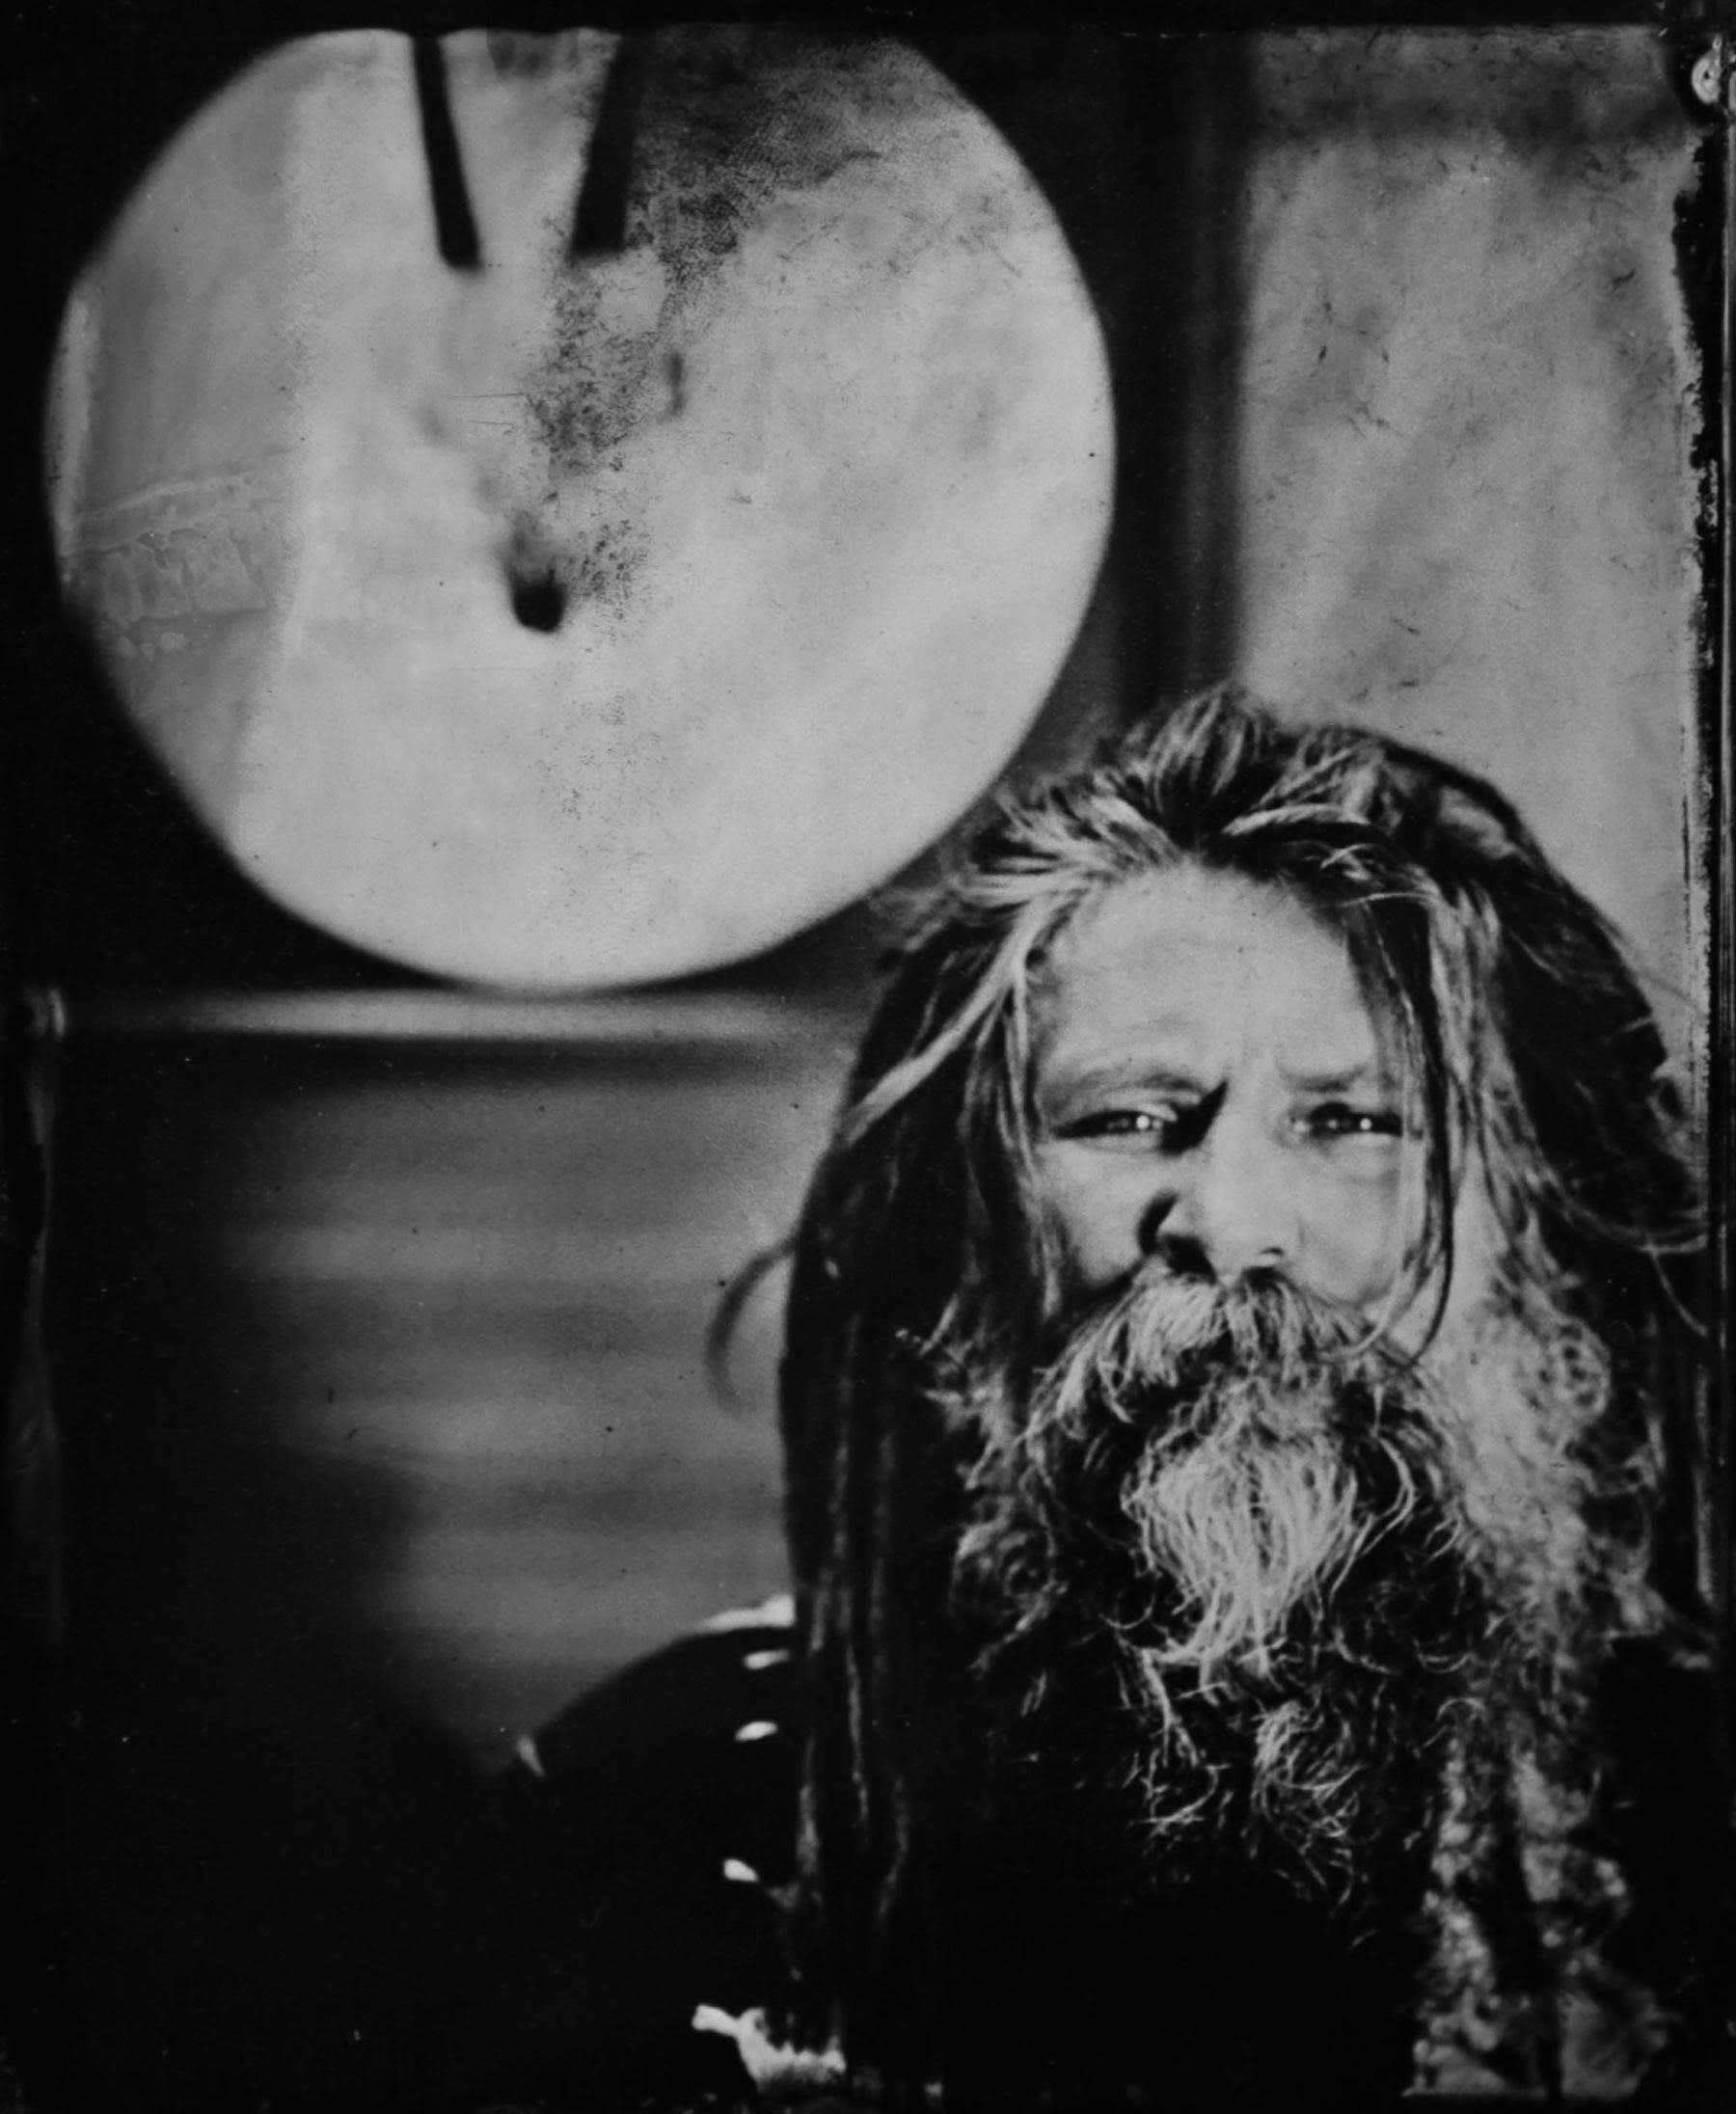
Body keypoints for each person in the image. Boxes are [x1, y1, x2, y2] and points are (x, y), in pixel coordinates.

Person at [489, 690, 1722, 2112]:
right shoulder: (658, 1810)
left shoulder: (1693, 1813)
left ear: (1542, 1230)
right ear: (965, 1237)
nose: (1234, 1223)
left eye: (1357, 1121)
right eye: (1131, 1119)